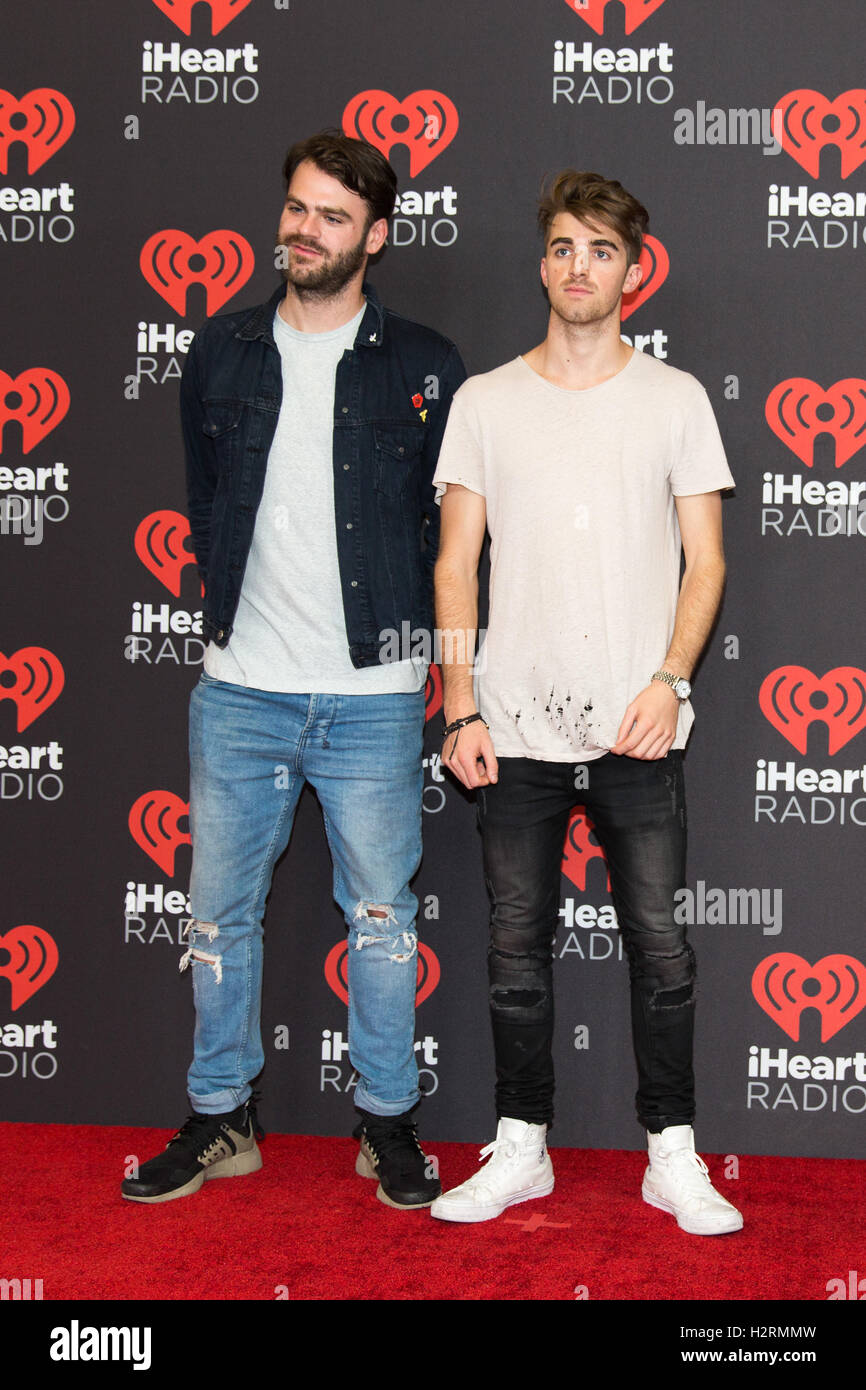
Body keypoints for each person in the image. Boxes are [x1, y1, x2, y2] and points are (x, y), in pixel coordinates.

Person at [121, 130, 465, 1210]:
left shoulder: (423, 365)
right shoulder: (221, 350)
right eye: (295, 209)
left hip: (371, 698)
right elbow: (206, 498)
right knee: (217, 915)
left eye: (329, 216)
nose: (301, 230)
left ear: (376, 236)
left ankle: (386, 1123)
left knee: (379, 918)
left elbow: (448, 539)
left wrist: (445, 675)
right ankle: (221, 1115)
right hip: (240, 688)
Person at [429, 169, 741, 1235]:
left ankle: (671, 1152)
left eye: (600, 251)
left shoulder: (675, 399)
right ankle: (521, 1146)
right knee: (513, 945)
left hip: (635, 724)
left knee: (660, 944)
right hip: (509, 726)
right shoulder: (483, 400)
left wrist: (668, 681)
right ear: (541, 261)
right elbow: (454, 562)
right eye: (562, 246)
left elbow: (704, 563)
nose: (578, 266)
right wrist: (459, 701)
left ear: (630, 271)